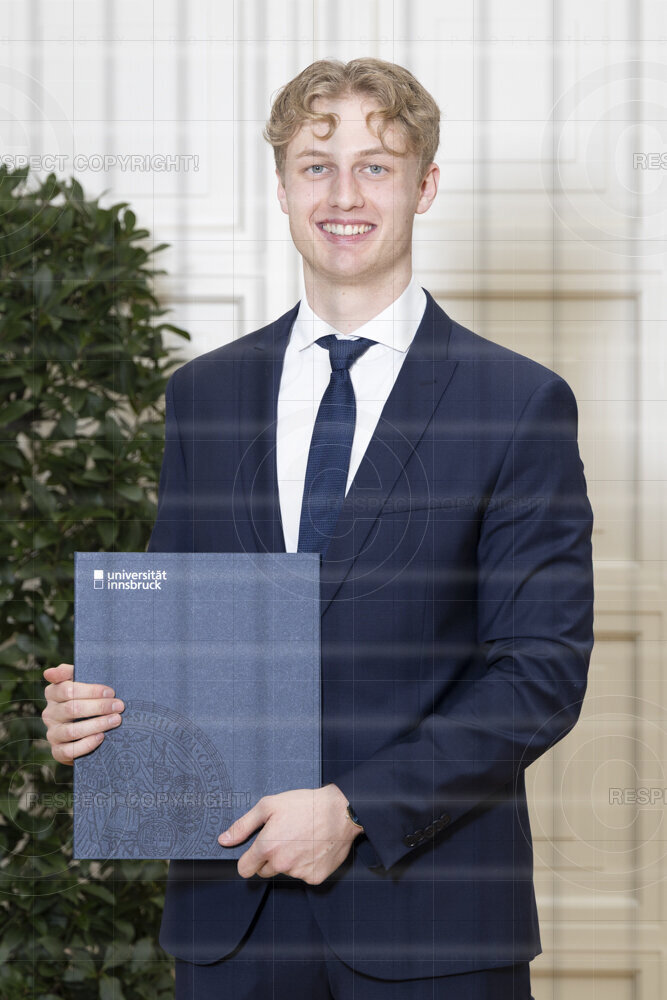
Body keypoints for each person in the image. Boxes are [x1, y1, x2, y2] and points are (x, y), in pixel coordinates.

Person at [42, 57, 594, 999]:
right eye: (315, 166)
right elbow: (180, 634)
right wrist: (97, 715)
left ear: (424, 186)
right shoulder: (205, 394)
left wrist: (355, 807)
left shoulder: (516, 402)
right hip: (229, 916)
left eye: (375, 166)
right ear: (282, 186)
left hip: (431, 923)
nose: (343, 195)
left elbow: (538, 673)